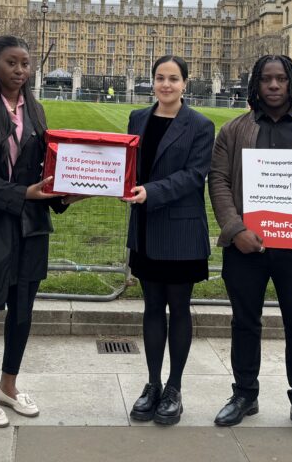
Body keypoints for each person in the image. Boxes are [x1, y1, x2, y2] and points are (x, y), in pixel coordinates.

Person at [209, 54, 292, 444]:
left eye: (280, 79)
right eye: (266, 79)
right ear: (256, 84)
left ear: (291, 84)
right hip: (247, 246)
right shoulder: (234, 130)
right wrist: (235, 230)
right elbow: (218, 182)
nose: (273, 86)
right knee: (244, 322)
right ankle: (244, 394)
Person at [0, 35, 69, 428]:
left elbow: (43, 174)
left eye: (25, 64)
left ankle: (8, 385)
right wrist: (23, 193)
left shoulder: (35, 111)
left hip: (30, 226)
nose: (20, 71)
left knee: (22, 313)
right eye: (12, 63)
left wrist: (66, 193)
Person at [125, 55, 214, 425]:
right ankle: (152, 383)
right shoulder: (138, 118)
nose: (166, 85)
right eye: (160, 78)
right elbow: (127, 164)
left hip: (180, 228)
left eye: (173, 79)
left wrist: (150, 192)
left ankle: (174, 388)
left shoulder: (200, 125)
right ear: (152, 81)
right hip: (146, 227)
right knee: (151, 307)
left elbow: (194, 176)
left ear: (185, 84)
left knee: (178, 308)